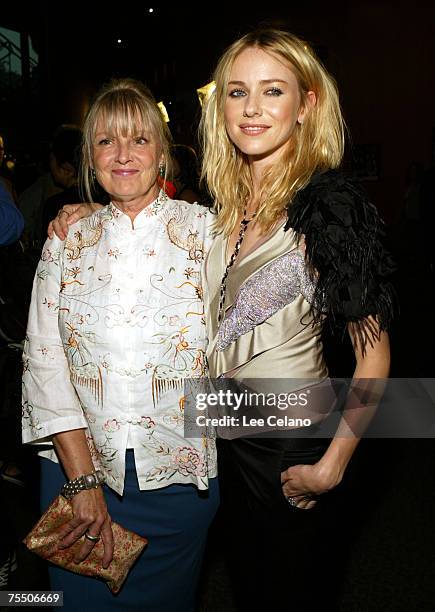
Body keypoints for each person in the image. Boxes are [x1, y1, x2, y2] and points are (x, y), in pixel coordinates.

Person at [50, 29, 395, 609]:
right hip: (222, 443)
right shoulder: (224, 208)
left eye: (273, 90)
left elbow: (375, 356)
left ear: (307, 104)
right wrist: (95, 210)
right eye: (237, 92)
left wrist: (333, 465)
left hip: (291, 447)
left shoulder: (330, 207)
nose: (253, 108)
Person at [22, 78, 218, 611]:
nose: (124, 154)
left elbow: (258, 340)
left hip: (179, 483)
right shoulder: (67, 241)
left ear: (163, 152)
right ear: (90, 156)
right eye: (107, 141)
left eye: (139, 139)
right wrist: (81, 480)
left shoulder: (209, 235)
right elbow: (43, 362)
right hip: (78, 479)